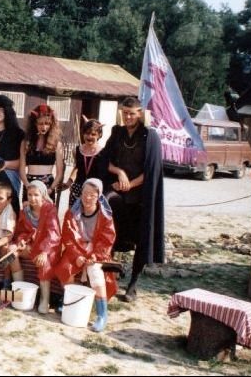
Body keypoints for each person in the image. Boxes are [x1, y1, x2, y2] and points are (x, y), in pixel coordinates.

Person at [101, 97, 164, 303]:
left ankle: (133, 285)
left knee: (141, 239)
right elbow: (105, 160)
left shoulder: (150, 136)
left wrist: (131, 184)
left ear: (140, 114)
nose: (128, 117)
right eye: (125, 113)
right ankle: (108, 277)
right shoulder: (117, 133)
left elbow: (152, 170)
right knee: (107, 219)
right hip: (119, 192)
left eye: (132, 113)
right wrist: (119, 173)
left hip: (140, 197)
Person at [54, 178, 117, 332]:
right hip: (76, 249)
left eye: (92, 195)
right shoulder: (72, 213)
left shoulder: (105, 216)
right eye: (85, 193)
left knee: (95, 271)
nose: (88, 198)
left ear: (99, 196)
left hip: (97, 251)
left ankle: (102, 315)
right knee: (66, 267)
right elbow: (68, 237)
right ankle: (70, 301)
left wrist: (95, 256)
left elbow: (107, 240)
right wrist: (77, 256)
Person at [9, 180, 61, 314]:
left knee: (44, 261)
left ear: (43, 195)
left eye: (36, 195)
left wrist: (44, 252)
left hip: (47, 248)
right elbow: (20, 231)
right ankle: (20, 290)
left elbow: (53, 234)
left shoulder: (50, 209)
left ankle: (45, 299)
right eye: (30, 195)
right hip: (31, 246)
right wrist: (22, 242)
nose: (32, 198)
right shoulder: (25, 211)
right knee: (11, 253)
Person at [19, 104, 64, 202]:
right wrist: (27, 185)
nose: (44, 127)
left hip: (48, 185)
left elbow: (59, 173)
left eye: (47, 123)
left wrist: (51, 189)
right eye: (40, 123)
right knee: (28, 211)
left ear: (52, 124)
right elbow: (21, 169)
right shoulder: (25, 143)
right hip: (29, 183)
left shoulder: (57, 144)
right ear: (34, 123)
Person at [61, 119, 107, 206]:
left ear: (99, 135)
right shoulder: (76, 150)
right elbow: (77, 168)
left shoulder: (104, 153)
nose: (89, 136)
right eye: (87, 133)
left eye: (93, 134)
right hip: (78, 188)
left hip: (93, 191)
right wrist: (69, 183)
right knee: (73, 213)